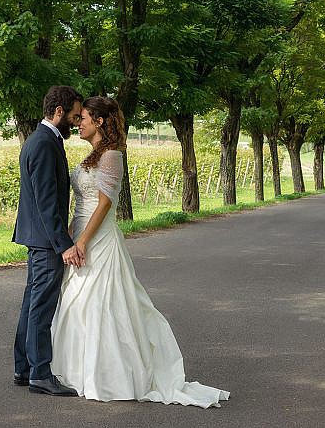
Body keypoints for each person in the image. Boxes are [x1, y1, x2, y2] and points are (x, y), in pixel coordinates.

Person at [51, 96, 230, 407]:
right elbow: (81, 205)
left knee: (102, 304)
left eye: (84, 118)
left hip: (99, 240)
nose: (78, 122)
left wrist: (82, 243)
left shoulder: (112, 156)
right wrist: (69, 238)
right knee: (76, 304)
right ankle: (76, 371)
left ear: (100, 122)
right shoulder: (92, 156)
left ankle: (109, 375)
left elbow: (104, 204)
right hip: (79, 232)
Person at [12, 86, 84, 397]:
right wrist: (64, 243)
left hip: (40, 240)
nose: (76, 120)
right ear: (58, 112)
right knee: (41, 306)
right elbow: (46, 203)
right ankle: (40, 372)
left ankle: (23, 367)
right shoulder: (43, 144)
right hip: (45, 241)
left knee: (32, 303)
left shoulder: (44, 139)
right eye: (73, 115)